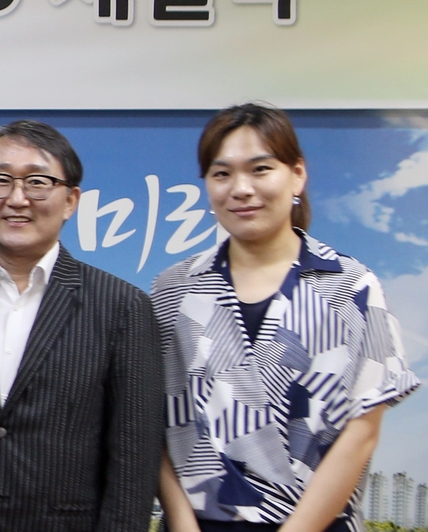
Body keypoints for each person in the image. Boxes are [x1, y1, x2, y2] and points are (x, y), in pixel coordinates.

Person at [152, 103, 418, 532]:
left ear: (297, 174)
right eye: (222, 174)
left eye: (260, 169)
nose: (241, 189)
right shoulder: (173, 289)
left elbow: (362, 432)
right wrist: (182, 524)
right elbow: (150, 420)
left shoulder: (351, 287)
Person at [0, 120, 161, 532]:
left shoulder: (122, 307)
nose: (17, 199)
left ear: (70, 200)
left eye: (37, 182)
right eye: (0, 180)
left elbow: (133, 465)